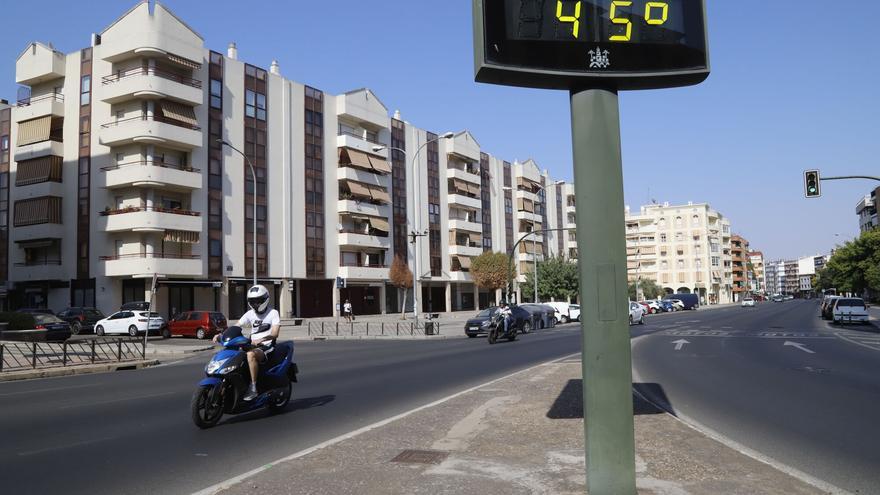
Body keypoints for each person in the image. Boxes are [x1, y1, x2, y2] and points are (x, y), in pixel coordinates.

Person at [214, 284, 280, 401]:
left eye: (258, 301)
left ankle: (253, 388)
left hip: (266, 346)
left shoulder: (273, 313)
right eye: (253, 301)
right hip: (252, 344)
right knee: (232, 354)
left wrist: (262, 339)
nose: (255, 304)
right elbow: (236, 326)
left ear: (265, 299)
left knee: (250, 355)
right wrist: (222, 335)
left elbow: (275, 333)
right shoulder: (250, 314)